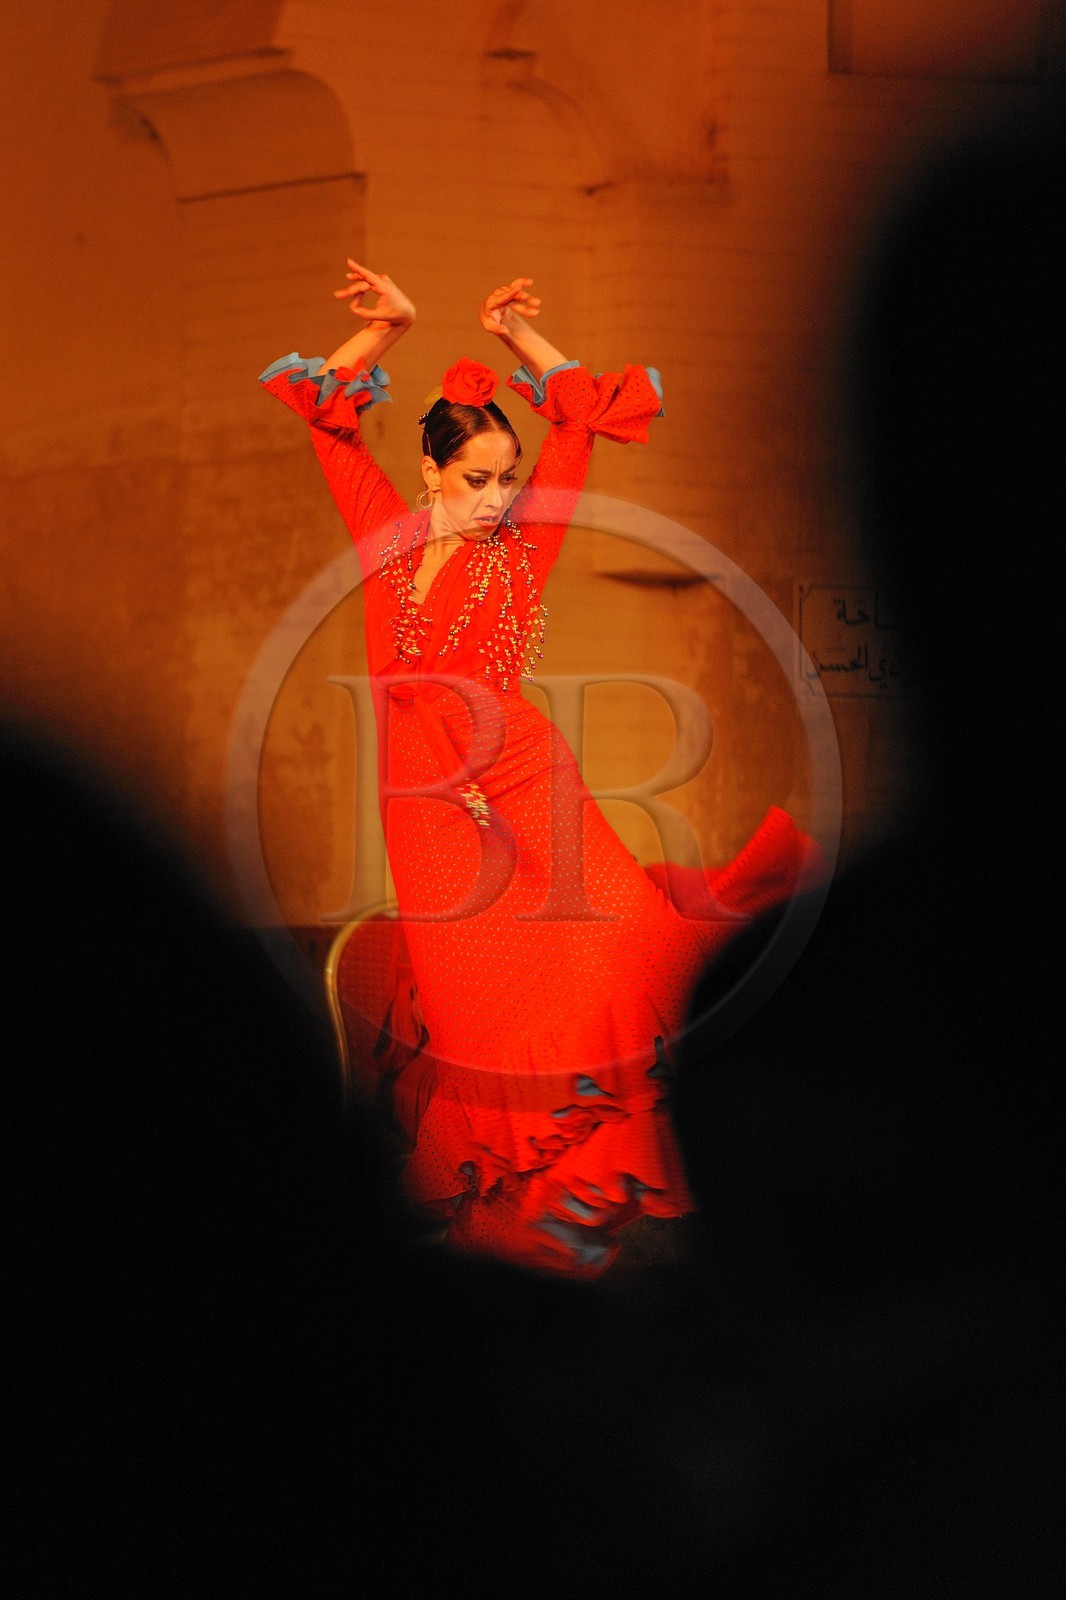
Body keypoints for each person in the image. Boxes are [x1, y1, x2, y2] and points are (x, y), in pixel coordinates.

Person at [259, 262, 823, 1277]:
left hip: (521, 769)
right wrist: (394, 325)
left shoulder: (521, 547)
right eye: (476, 479)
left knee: (628, 946)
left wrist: (520, 336)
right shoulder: (388, 543)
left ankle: (609, 1202)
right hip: (425, 799)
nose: (494, 498)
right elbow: (324, 416)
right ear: (432, 473)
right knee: (488, 1016)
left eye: (505, 479)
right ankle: (523, 1228)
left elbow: (579, 418)